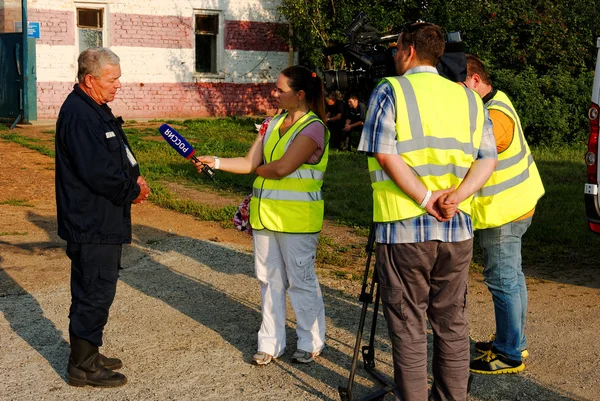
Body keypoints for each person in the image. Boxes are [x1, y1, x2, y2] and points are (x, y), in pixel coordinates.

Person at [357, 23, 498, 401]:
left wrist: (425, 199)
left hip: (404, 228)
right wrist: (456, 196)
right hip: (457, 227)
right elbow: (488, 159)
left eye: (396, 49)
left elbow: (384, 153)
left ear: (408, 50)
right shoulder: (469, 98)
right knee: (452, 322)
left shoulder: (391, 91)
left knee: (408, 324)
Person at [193, 66, 329, 366]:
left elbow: (280, 168)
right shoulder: (272, 123)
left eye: (280, 90)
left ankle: (311, 341)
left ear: (300, 95)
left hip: (298, 221)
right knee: (268, 281)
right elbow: (248, 161)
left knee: (301, 282)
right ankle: (270, 342)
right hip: (265, 216)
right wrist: (214, 161)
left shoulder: (314, 127)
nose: (274, 93)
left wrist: (259, 168)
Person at [55, 47, 150, 387]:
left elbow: (114, 156)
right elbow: (97, 171)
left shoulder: (94, 107)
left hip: (100, 217)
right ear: (90, 79)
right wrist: (131, 190)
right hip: (91, 221)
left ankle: (88, 351)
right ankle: (82, 366)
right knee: (94, 290)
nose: (119, 85)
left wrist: (133, 179)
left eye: (119, 77)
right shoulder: (79, 114)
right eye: (113, 79)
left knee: (94, 288)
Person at [460, 55, 545, 374]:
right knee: (513, 276)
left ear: (476, 81)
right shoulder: (497, 102)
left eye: (461, 85)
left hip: (504, 213)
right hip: (516, 204)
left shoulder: (495, 112)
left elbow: (498, 137)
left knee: (503, 279)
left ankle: (509, 352)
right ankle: (514, 339)